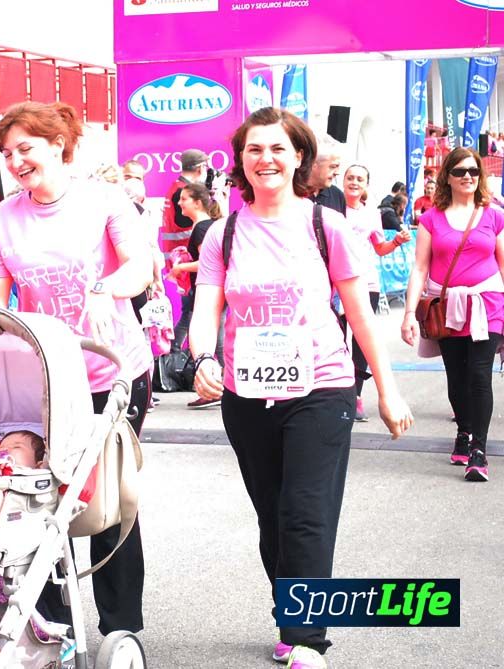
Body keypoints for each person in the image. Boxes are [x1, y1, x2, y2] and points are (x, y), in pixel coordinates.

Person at [189, 107, 413, 669]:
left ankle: (309, 639)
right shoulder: (225, 232)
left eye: (278, 149)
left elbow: (360, 314)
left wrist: (387, 390)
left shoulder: (324, 225)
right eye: (254, 149)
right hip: (246, 395)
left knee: (305, 514)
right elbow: (205, 310)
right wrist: (203, 356)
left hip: (322, 387)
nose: (266, 159)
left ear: (298, 158)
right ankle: (291, 615)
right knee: (273, 519)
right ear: (241, 160)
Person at [0, 101, 153, 638]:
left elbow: (139, 265)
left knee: (102, 499)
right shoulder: (4, 218)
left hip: (112, 374)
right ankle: (53, 624)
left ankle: (120, 628)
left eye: (25, 148)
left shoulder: (104, 199)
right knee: (43, 502)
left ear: (58, 144)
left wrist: (106, 289)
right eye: (7, 153)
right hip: (47, 381)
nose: (15, 161)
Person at [401, 147, 504, 482]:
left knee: (478, 374)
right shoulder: (432, 218)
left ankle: (479, 450)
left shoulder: (494, 214)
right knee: (457, 379)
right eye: (460, 171)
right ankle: (464, 430)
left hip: (488, 303)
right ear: (447, 176)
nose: (468, 177)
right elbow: (419, 268)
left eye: (473, 171)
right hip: (446, 308)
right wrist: (407, 314)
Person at [342, 164, 412, 420]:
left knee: (360, 342)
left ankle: (357, 396)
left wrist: (396, 242)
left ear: (366, 185)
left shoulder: (371, 213)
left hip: (366, 283)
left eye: (359, 179)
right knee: (336, 340)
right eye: (350, 177)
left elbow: (380, 247)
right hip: (334, 284)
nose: (354, 182)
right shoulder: (331, 210)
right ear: (343, 181)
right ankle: (337, 393)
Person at [167, 182, 224, 408]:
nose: (179, 203)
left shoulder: (202, 228)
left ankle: (218, 388)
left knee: (212, 341)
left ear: (197, 202)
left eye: (184, 198)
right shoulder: (207, 226)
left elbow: (208, 264)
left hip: (206, 291)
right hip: (206, 291)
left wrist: (181, 268)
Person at [160, 148, 208, 271]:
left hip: (178, 259)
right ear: (201, 168)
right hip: (185, 260)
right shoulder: (185, 193)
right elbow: (204, 222)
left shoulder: (176, 187)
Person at [308, 138, 345, 215]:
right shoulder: (290, 192)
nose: (337, 173)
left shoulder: (337, 196)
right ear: (313, 164)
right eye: (333, 166)